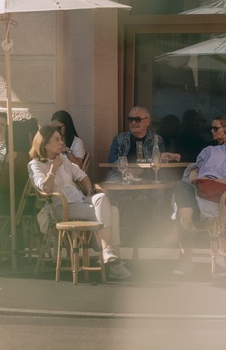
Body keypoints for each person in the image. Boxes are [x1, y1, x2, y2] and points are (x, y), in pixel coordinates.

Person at [28, 123, 132, 281]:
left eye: (61, 139)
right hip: (61, 207)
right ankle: (109, 257)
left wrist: (90, 191)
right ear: (45, 143)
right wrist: (53, 169)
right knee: (109, 211)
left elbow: (81, 175)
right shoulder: (35, 165)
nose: (62, 143)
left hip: (79, 201)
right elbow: (45, 189)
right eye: (57, 139)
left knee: (105, 202)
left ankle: (108, 253)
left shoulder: (63, 159)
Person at [173, 116, 226, 275]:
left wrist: (211, 182)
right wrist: (194, 173)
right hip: (198, 193)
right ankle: (186, 219)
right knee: (180, 187)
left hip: (222, 201)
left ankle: (185, 256)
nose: (223, 137)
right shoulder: (211, 151)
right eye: (224, 133)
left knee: (183, 205)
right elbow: (195, 167)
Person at [105, 106, 180, 181]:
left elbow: (160, 165)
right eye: (130, 119)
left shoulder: (156, 139)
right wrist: (129, 172)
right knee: (112, 183)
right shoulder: (119, 138)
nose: (133, 122)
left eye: (137, 120)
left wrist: (166, 157)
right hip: (123, 176)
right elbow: (112, 162)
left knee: (159, 183)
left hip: (149, 177)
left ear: (148, 121)